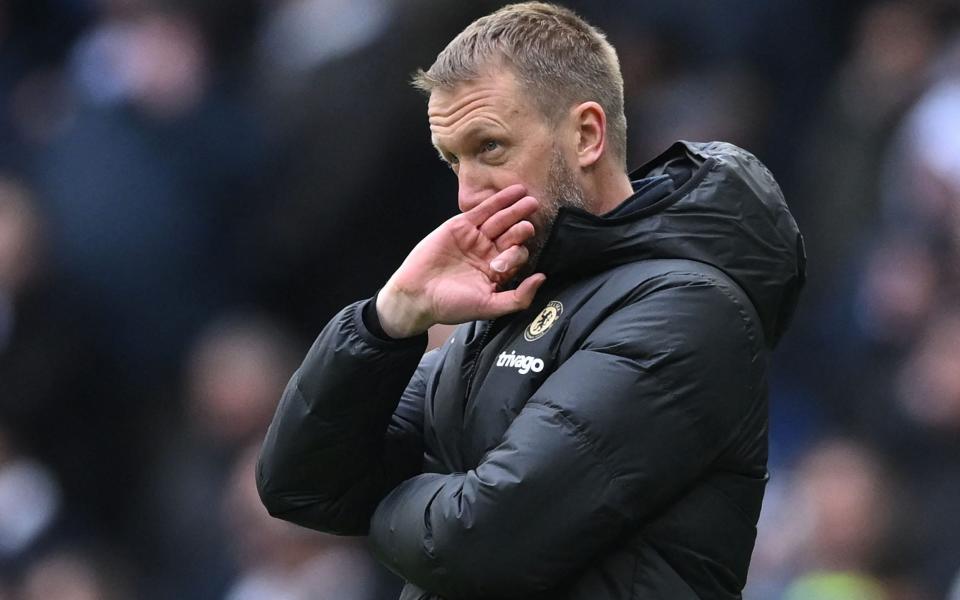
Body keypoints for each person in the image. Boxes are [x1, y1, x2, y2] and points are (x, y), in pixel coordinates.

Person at [256, 3, 806, 599]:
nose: (467, 195)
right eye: (452, 160)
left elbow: (473, 541)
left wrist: (385, 506)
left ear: (587, 135)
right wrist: (388, 320)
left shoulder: (690, 306)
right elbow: (300, 486)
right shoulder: (510, 300)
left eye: (489, 147)